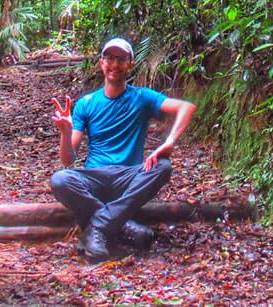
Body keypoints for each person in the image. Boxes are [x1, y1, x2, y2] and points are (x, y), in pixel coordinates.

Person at [49, 37, 197, 261]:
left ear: (130, 64)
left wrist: (169, 142)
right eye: (109, 58)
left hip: (128, 178)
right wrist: (66, 133)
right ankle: (123, 225)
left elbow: (186, 107)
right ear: (101, 64)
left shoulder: (142, 97)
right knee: (61, 179)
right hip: (95, 178)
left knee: (163, 167)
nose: (114, 64)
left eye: (121, 59)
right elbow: (68, 160)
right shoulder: (87, 103)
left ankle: (98, 228)